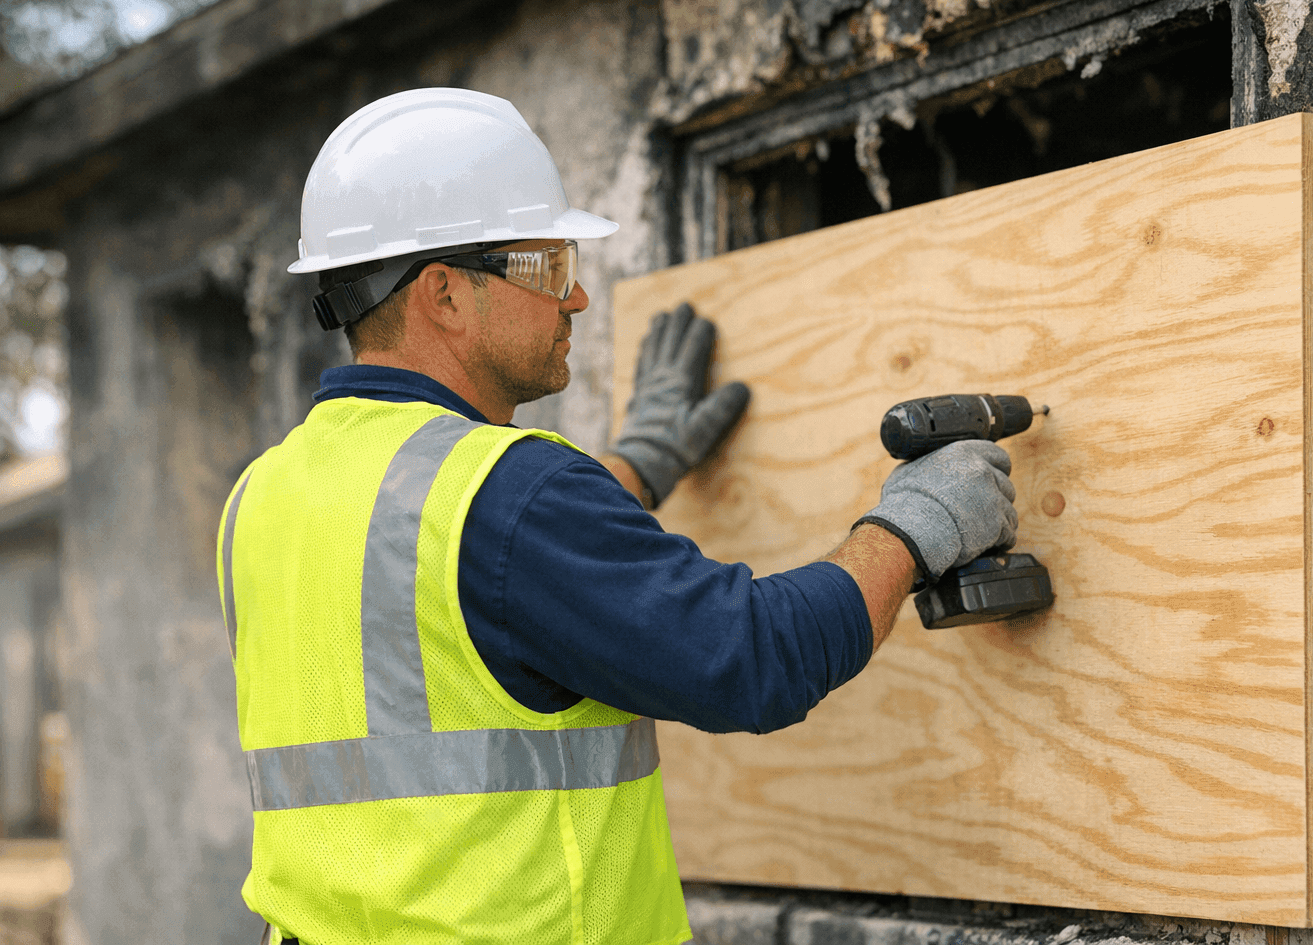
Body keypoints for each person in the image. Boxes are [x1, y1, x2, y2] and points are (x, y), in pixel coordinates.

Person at [216, 88, 1019, 945]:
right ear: (444, 295)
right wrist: (913, 526)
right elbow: (749, 659)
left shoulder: (263, 495)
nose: (579, 300)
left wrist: (636, 465)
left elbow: (468, 591)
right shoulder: (511, 494)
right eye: (550, 267)